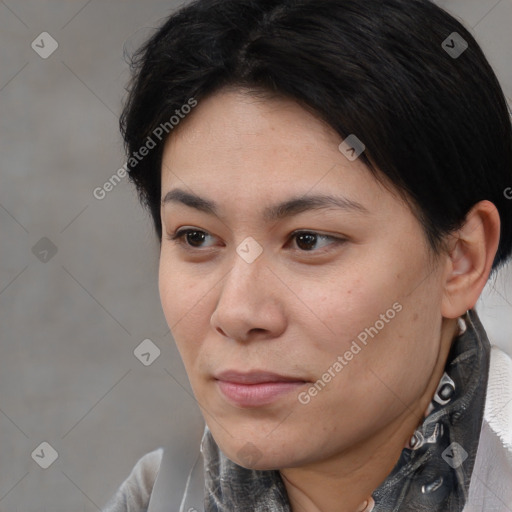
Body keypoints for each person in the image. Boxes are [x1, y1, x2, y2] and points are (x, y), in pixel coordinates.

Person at [102, 0, 512, 510]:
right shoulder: (158, 496)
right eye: (196, 238)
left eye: (308, 240)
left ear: (461, 260)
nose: (237, 313)